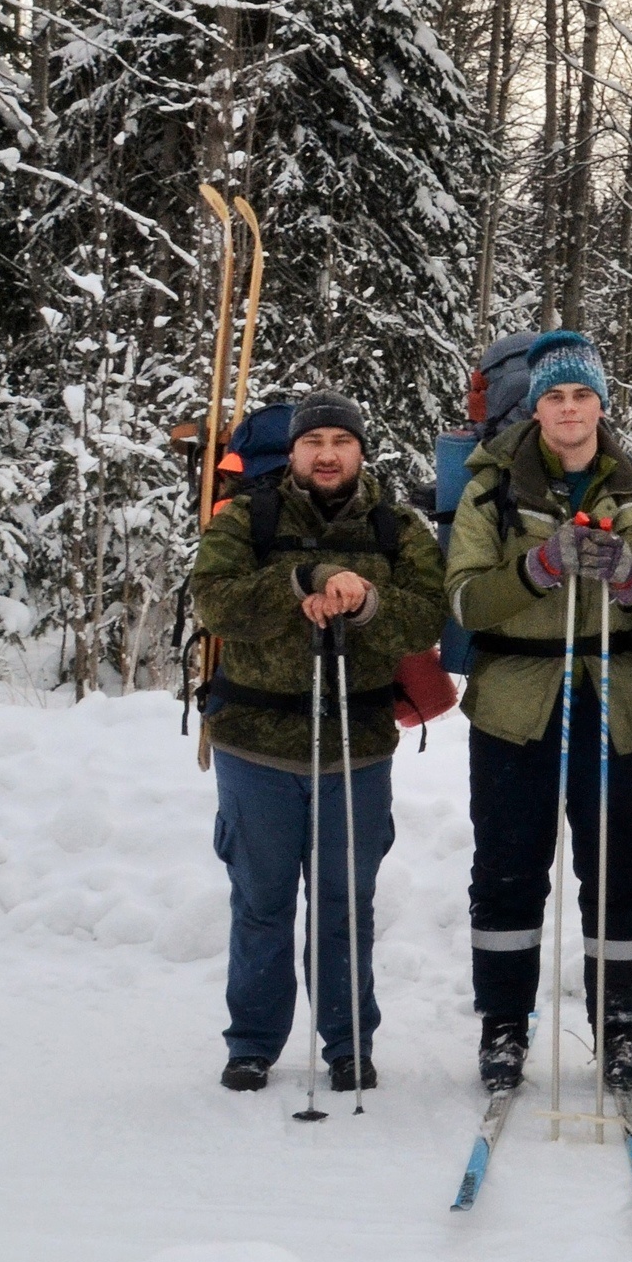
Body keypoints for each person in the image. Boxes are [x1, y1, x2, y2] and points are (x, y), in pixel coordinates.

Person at [446, 332, 632, 1092]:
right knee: (510, 870)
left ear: (602, 405)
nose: (570, 409)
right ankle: (504, 1025)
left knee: (619, 870)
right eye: (555, 396)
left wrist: (630, 585)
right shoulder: (490, 485)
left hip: (617, 701)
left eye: (583, 395)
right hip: (516, 704)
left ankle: (618, 1027)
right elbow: (463, 598)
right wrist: (537, 568)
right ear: (537, 407)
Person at [189, 391, 446, 1091]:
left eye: (341, 440)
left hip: (355, 745)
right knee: (261, 900)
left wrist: (366, 603)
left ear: (362, 450)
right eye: (313, 442)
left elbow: (429, 616)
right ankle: (252, 1042)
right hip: (254, 744)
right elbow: (213, 599)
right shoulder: (247, 517)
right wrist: (298, 580)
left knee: (343, 903)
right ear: (295, 452)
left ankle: (349, 1044)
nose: (327, 453)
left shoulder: (398, 527)